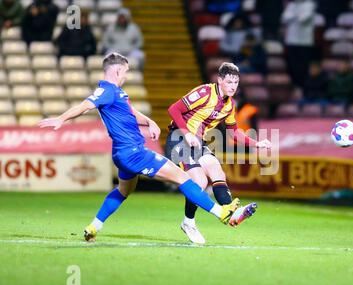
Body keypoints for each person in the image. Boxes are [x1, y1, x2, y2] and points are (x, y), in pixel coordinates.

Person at [38, 53, 257, 243]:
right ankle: (222, 213)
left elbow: (130, 112)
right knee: (184, 179)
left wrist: (149, 121)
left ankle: (94, 226)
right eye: (125, 72)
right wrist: (61, 118)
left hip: (122, 154)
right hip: (135, 153)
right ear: (116, 72)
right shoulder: (108, 91)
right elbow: (85, 106)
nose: (126, 75)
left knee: (124, 191)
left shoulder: (118, 94)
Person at [165, 62, 271, 244]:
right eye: (229, 82)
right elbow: (174, 109)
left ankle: (230, 211)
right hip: (179, 139)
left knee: (217, 170)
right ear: (220, 80)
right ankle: (188, 223)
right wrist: (187, 133)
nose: (233, 86)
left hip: (198, 143)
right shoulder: (205, 92)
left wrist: (256, 144)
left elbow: (234, 132)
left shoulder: (229, 106)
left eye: (236, 82)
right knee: (199, 181)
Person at [281, 0, 317, 88]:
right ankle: (295, 87)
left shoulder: (310, 4)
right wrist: (296, 15)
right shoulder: (291, 5)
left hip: (305, 42)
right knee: (292, 66)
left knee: (303, 67)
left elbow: (303, 19)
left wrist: (292, 16)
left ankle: (303, 88)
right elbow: (284, 18)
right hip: (291, 41)